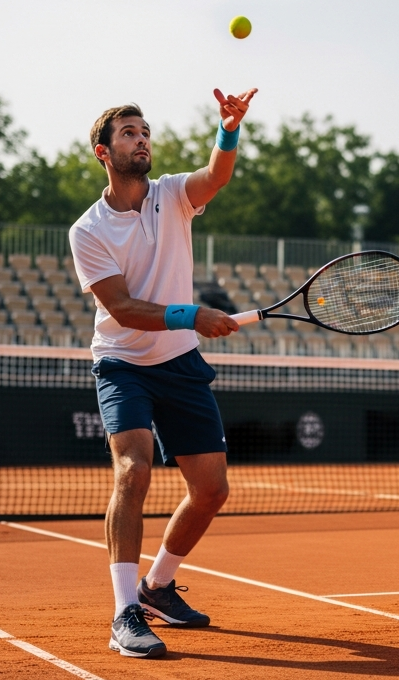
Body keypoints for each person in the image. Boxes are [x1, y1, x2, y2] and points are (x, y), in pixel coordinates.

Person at [69, 89, 256, 659]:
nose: (141, 139)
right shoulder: (88, 230)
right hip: (122, 363)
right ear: (104, 152)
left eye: (145, 131)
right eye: (129, 133)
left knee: (211, 491)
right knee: (134, 470)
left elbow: (216, 176)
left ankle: (157, 588)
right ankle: (125, 611)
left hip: (179, 362)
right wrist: (192, 315)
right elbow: (124, 309)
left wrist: (228, 129)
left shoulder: (173, 194)